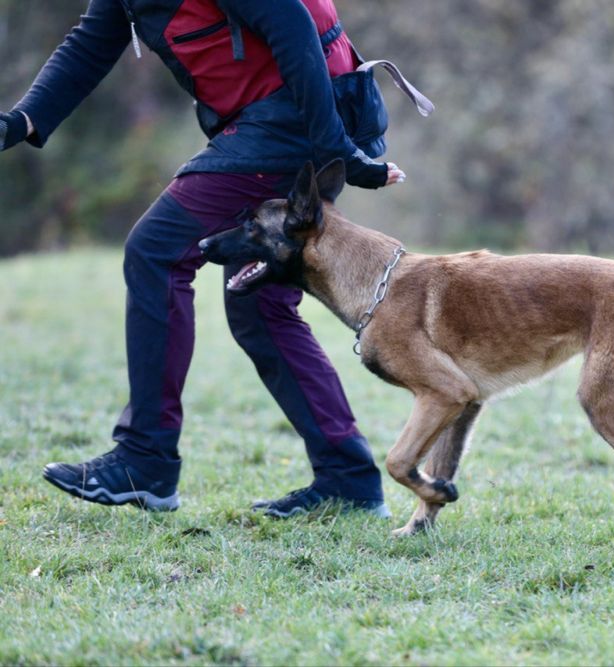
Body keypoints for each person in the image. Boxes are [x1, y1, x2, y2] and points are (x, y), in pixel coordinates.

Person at [0, 0, 410, 518]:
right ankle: (348, 480)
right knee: (258, 302)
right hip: (296, 116)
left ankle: (145, 459)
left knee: (157, 251)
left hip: (299, 115)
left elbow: (291, 25)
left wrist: (337, 150)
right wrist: (21, 121)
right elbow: (91, 41)